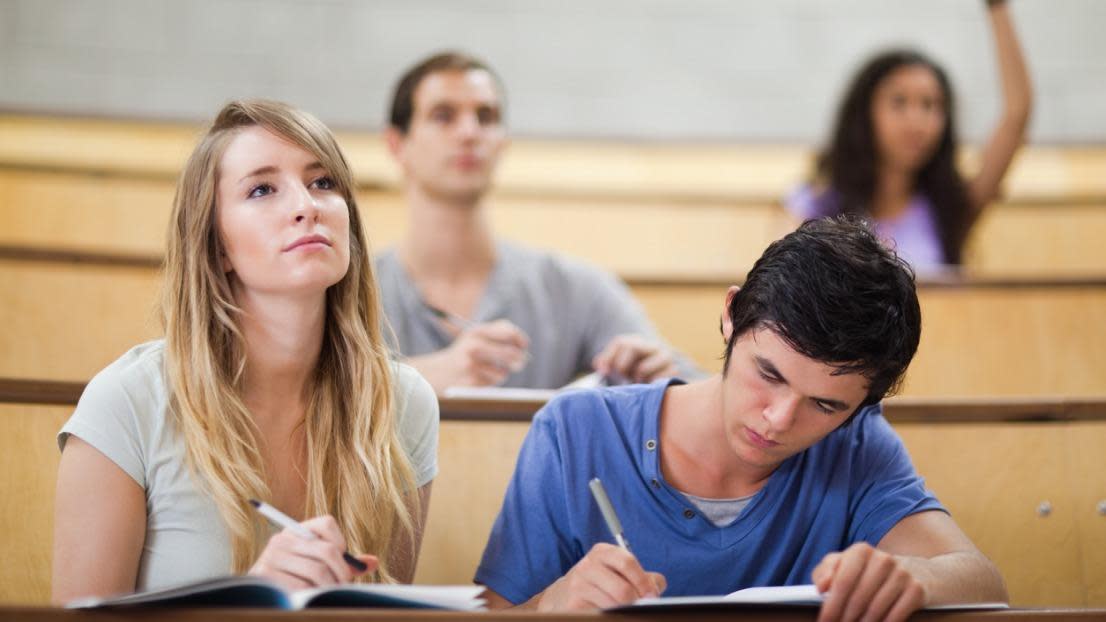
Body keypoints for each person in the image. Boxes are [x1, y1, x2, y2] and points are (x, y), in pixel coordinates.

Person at [476, 217, 1007, 620]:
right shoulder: (577, 431)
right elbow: (497, 612)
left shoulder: (858, 445)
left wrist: (914, 577)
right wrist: (551, 604)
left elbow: (983, 581)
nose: (777, 420)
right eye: (769, 374)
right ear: (732, 315)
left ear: (862, 406)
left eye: (825, 405)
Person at [52, 100, 439, 603]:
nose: (307, 205)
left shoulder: (403, 403)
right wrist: (250, 601)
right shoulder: (125, 403)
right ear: (217, 247)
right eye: (262, 189)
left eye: (323, 182)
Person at [376, 51, 700, 393]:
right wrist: (419, 378)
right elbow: (314, 393)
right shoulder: (349, 293)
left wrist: (662, 381)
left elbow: (702, 392)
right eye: (443, 116)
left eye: (486, 117)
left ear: (503, 143)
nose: (470, 132)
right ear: (396, 144)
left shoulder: (573, 289)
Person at [786, 0, 1033, 271]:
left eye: (930, 105)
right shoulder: (817, 205)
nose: (917, 122)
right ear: (864, 113)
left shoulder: (948, 208)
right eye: (899, 102)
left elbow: (1016, 114)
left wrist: (997, 7)